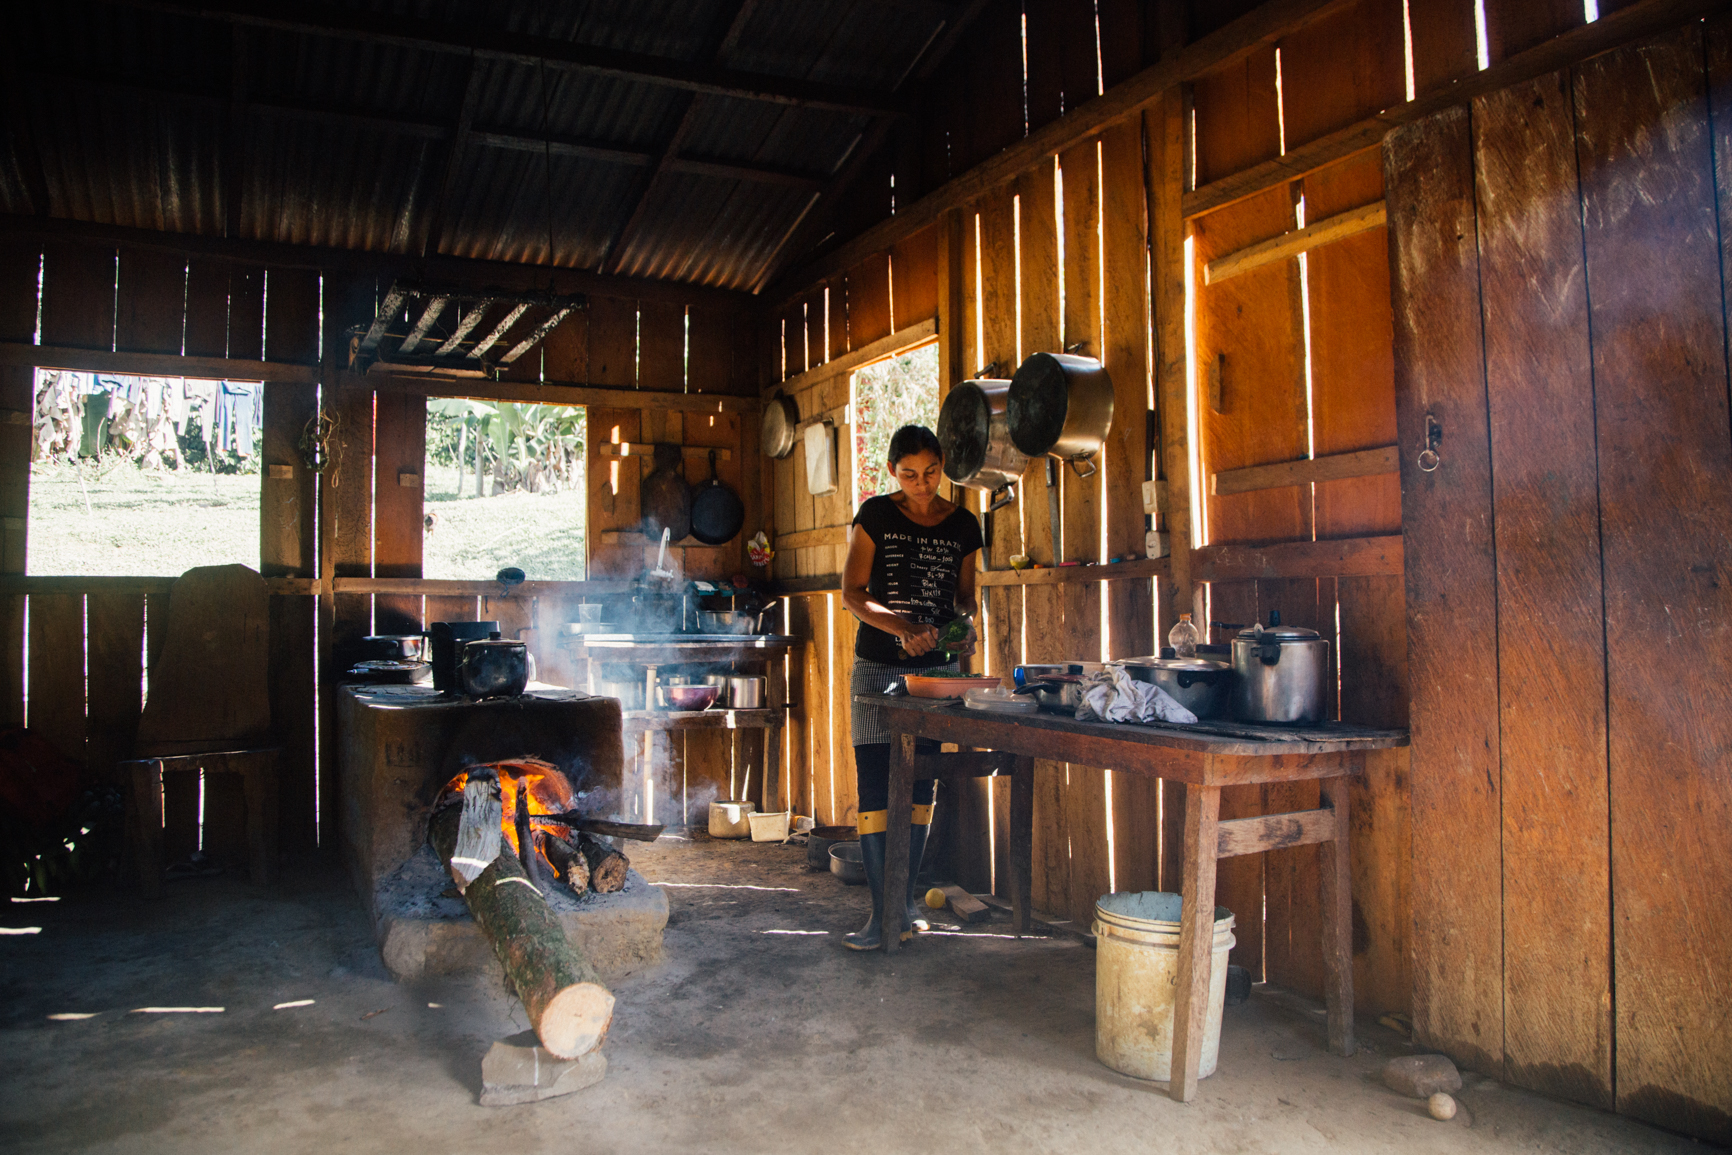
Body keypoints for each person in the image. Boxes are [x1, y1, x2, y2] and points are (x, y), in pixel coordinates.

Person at [840, 425, 982, 950]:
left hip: (936, 676)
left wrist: (963, 625)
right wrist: (903, 628)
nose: (921, 485)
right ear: (892, 470)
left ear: (942, 464)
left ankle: (901, 906)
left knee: (920, 786)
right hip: (879, 670)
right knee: (878, 785)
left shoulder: (964, 524)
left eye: (930, 473)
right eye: (909, 474)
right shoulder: (876, 515)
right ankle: (881, 915)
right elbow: (852, 592)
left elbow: (966, 596)